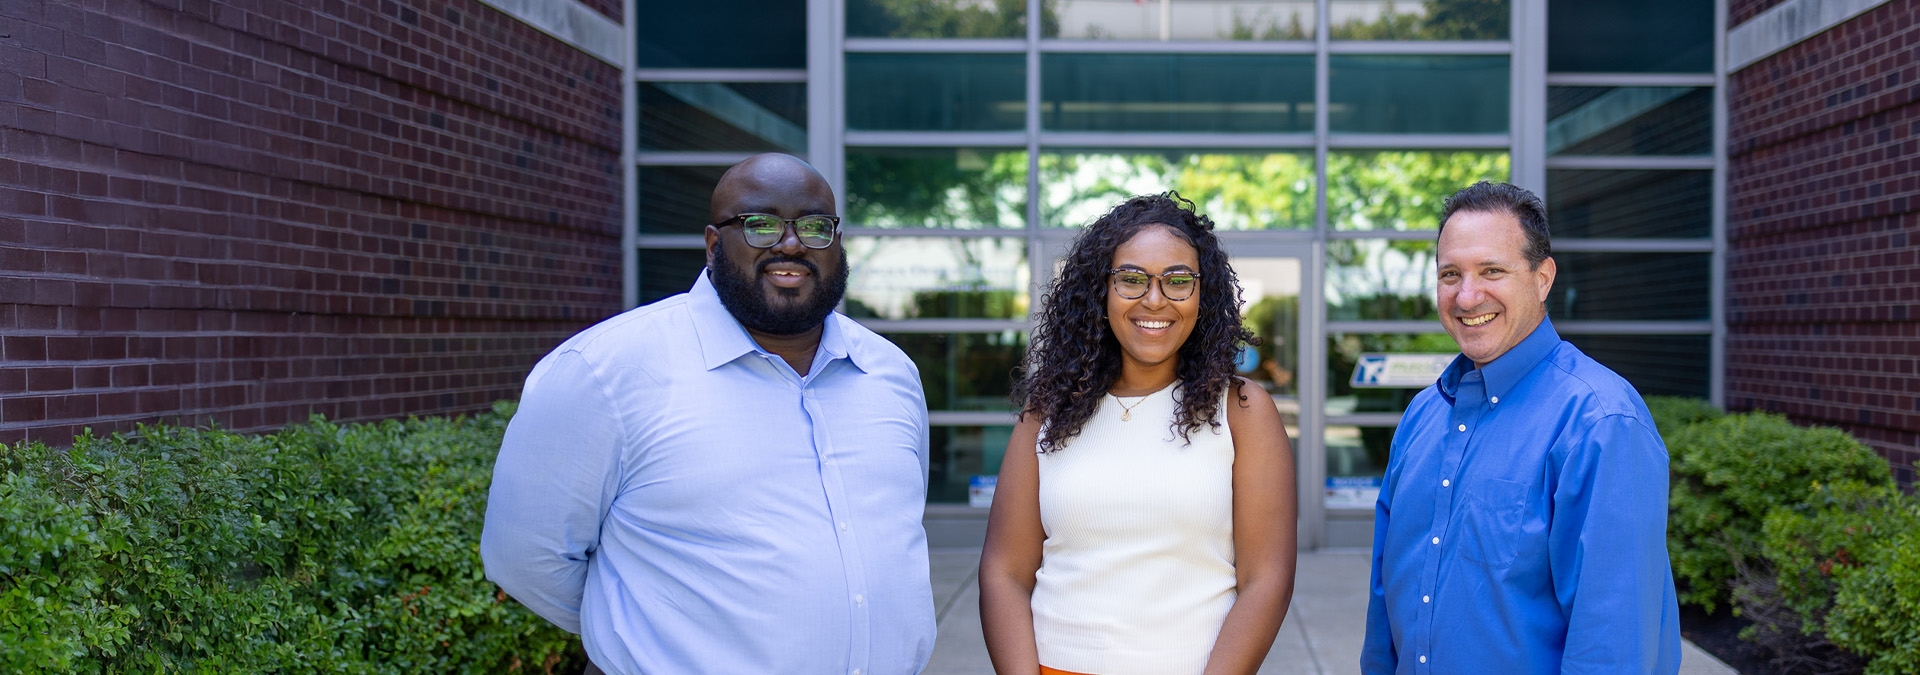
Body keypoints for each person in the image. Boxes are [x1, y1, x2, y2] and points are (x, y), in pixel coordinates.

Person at [480, 153, 936, 674]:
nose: (791, 244)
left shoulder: (889, 373)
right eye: (760, 225)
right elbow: (523, 559)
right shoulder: (604, 371)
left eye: (814, 226)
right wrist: (645, 629)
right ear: (714, 244)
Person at [1360, 181, 1681, 674]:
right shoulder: (1422, 415)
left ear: (1542, 278)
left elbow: (1613, 646)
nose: (1468, 296)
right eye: (1451, 274)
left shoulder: (1600, 422)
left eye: (1492, 270)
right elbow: (1388, 595)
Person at [980, 193, 1298, 675]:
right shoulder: (1047, 411)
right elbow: (1004, 572)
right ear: (1099, 291)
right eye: (1131, 279)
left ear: (1202, 293)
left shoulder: (1242, 411)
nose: (1155, 299)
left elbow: (1267, 579)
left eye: (1177, 281)